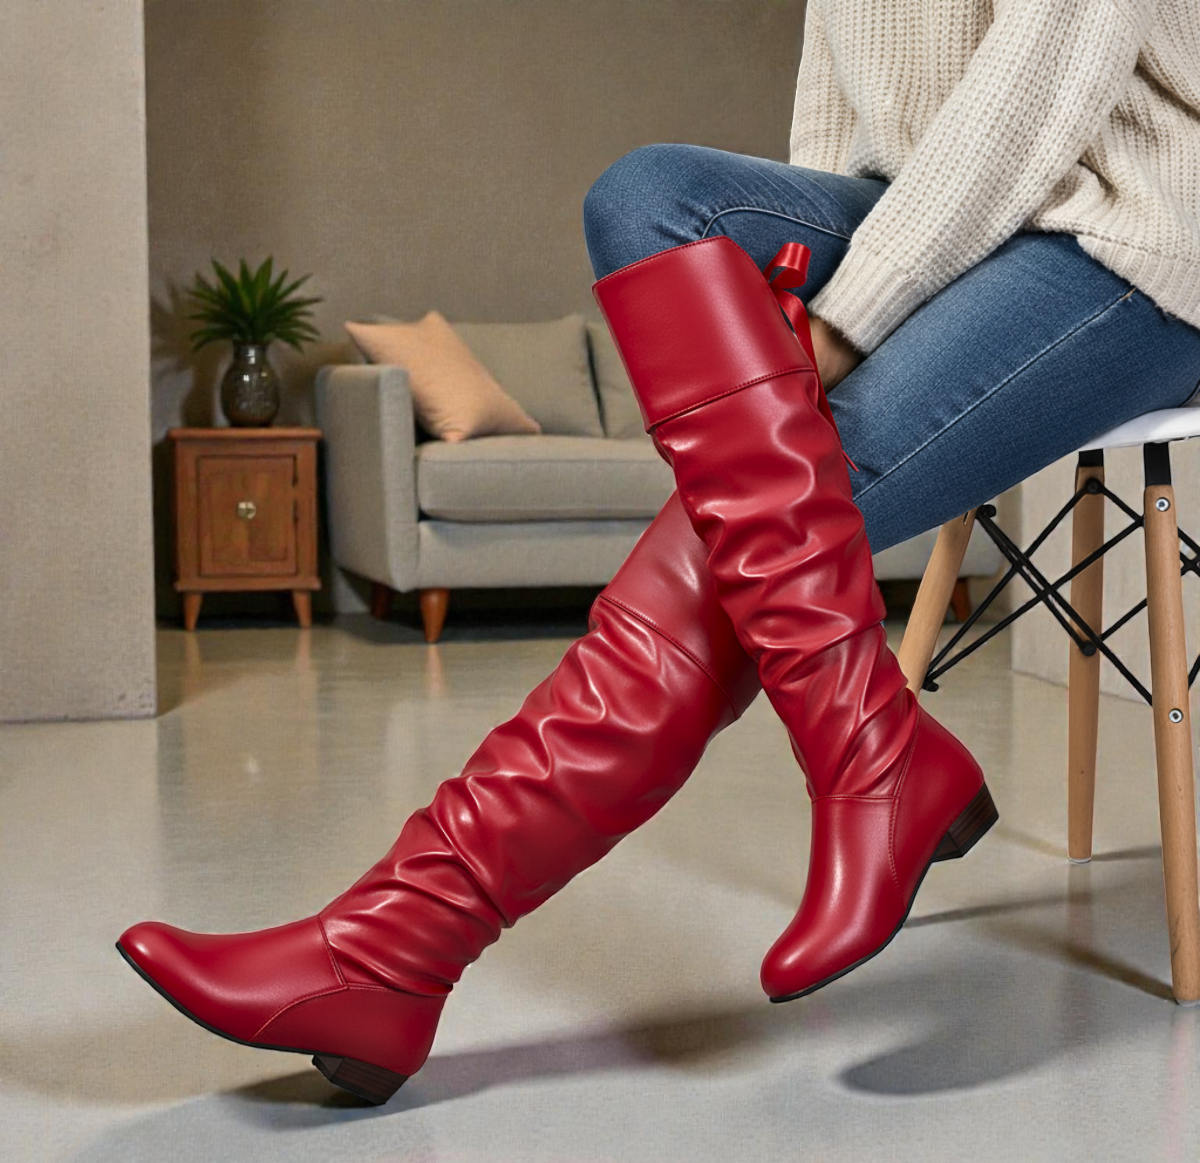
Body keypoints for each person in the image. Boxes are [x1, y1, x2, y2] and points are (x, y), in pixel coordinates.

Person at [117, 0, 1200, 1106]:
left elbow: (1033, 98)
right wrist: (776, 347)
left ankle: (394, 946)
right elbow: (845, 111)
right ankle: (872, 754)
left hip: (1137, 231)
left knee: (759, 507)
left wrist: (842, 327)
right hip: (945, 217)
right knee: (650, 204)